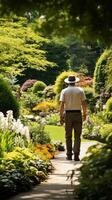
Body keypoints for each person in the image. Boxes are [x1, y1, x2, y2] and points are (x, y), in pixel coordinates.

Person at [59, 74, 87, 161]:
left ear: (68, 82)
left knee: (68, 136)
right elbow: (84, 104)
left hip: (68, 114)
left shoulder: (64, 91)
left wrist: (61, 117)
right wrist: (84, 114)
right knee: (77, 136)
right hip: (77, 114)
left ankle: (69, 155)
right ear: (75, 81)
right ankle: (76, 155)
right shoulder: (80, 91)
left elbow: (62, 105)